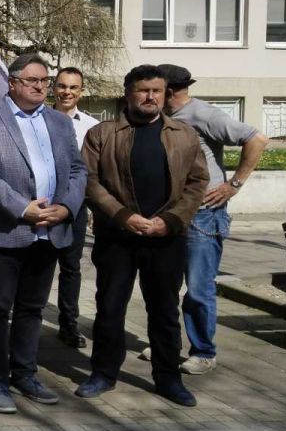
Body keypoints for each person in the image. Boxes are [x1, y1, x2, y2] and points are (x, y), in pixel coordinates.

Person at [76, 65, 208, 406]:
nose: (150, 97)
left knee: (164, 311)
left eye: (157, 91)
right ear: (128, 93)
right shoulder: (102, 134)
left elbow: (196, 184)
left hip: (166, 238)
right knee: (109, 308)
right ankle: (103, 373)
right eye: (143, 90)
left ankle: (168, 378)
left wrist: (172, 220)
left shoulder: (184, 134)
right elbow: (88, 181)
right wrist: (122, 216)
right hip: (117, 237)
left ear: (165, 95)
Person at [0, 53, 87, 415]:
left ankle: (25, 373)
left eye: (44, 81)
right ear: (13, 82)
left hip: (50, 230)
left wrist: (65, 207)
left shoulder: (59, 123)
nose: (40, 86)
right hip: (6, 230)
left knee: (32, 308)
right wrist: (23, 208)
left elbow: (79, 171)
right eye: (32, 80)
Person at [158, 64, 268, 374]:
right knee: (166, 284)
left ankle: (203, 351)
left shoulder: (203, 115)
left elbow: (256, 139)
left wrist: (233, 185)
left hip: (203, 216)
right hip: (171, 215)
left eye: (156, 88)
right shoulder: (163, 118)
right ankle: (167, 343)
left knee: (198, 287)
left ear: (169, 90)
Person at [52, 67, 100, 349]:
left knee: (71, 267)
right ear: (53, 89)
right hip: (44, 206)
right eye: (61, 86)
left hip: (76, 208)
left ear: (81, 91)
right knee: (37, 267)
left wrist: (93, 207)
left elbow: (94, 172)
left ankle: (68, 324)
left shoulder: (91, 126)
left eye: (73, 87)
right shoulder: (38, 118)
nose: (66, 92)